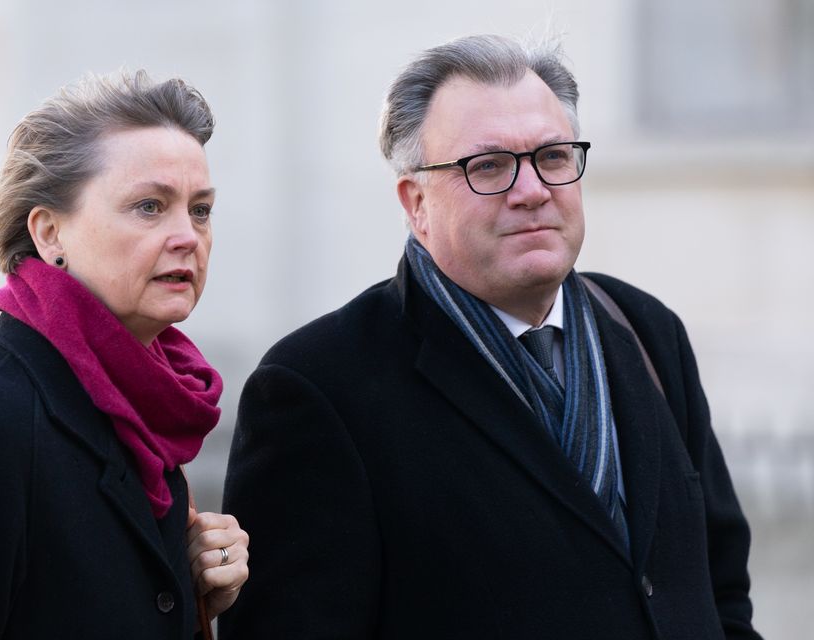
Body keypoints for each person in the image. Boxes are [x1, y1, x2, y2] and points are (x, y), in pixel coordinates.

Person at [220, 34, 762, 639]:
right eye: (489, 166)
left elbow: (721, 592)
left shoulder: (644, 329)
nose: (531, 190)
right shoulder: (319, 386)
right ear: (415, 201)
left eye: (553, 156)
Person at [0, 70, 249, 639]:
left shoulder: (151, 410)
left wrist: (192, 597)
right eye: (148, 206)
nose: (187, 235)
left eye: (201, 209)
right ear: (48, 233)